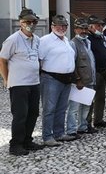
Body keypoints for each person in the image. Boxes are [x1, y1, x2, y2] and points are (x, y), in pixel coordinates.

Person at [0, 8, 44, 155]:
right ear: (21, 22)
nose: (30, 24)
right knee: (20, 115)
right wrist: (6, 79)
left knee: (33, 113)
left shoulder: (37, 40)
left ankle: (27, 140)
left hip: (34, 82)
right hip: (19, 84)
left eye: (33, 22)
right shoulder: (13, 40)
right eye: (27, 22)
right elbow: (3, 60)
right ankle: (16, 144)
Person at [39, 14, 76, 145]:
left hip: (66, 79)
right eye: (59, 25)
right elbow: (39, 59)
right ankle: (47, 136)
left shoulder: (66, 40)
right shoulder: (45, 40)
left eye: (64, 25)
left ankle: (59, 133)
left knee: (61, 108)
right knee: (49, 109)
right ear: (52, 26)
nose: (62, 28)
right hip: (51, 78)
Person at [66, 17, 97, 136]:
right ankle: (71, 130)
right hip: (80, 82)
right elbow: (72, 63)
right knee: (74, 107)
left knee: (86, 105)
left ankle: (82, 127)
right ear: (75, 30)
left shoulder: (88, 42)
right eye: (81, 28)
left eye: (85, 28)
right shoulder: (73, 43)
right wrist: (77, 79)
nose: (84, 31)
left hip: (89, 79)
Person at [86, 14, 106, 128]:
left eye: (101, 25)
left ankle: (98, 119)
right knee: (89, 98)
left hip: (102, 71)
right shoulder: (88, 39)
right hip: (93, 72)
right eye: (98, 25)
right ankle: (86, 122)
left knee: (101, 97)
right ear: (90, 27)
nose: (100, 27)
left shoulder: (101, 37)